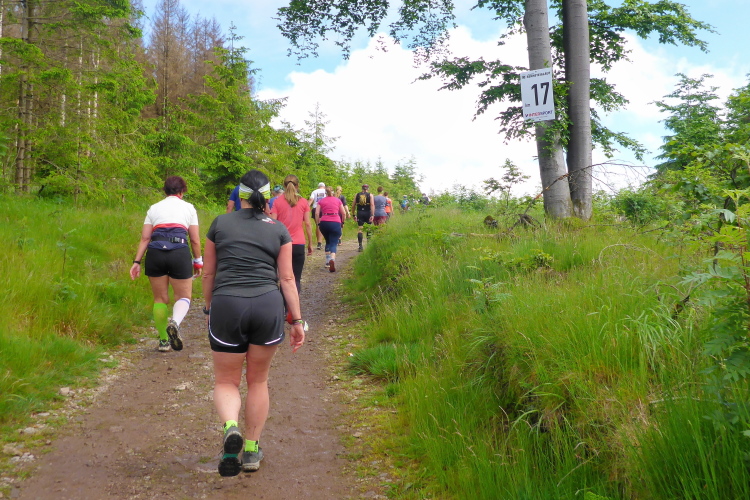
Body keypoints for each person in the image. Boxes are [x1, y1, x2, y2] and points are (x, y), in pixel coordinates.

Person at [202, 169, 306, 477]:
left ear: (240, 195)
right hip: (266, 305)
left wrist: (209, 307)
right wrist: (297, 320)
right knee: (258, 381)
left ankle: (231, 427)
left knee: (226, 381)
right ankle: (250, 449)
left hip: (227, 304)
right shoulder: (278, 230)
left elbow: (209, 273)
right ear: (268, 197)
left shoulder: (220, 223)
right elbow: (287, 279)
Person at [130, 176, 202, 352]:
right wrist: (198, 261)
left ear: (165, 190)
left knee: (160, 299)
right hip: (179, 252)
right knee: (183, 297)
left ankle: (163, 341)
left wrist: (136, 261)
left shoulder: (154, 208)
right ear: (182, 191)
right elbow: (194, 239)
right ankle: (175, 323)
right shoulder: (188, 208)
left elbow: (145, 238)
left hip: (155, 253)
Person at [270, 174, 313, 292]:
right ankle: (293, 303)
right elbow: (308, 224)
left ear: (284, 186)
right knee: (296, 279)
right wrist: (310, 243)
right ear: (297, 186)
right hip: (299, 243)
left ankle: (283, 303)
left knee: (284, 279)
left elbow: (272, 223)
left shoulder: (277, 202)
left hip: (282, 244)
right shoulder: (303, 202)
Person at [315, 186, 346, 272]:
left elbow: (317, 213)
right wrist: (342, 222)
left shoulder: (321, 201)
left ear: (325, 193)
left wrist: (318, 223)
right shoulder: (338, 200)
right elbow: (343, 213)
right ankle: (332, 258)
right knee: (334, 242)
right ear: (333, 192)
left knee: (327, 241)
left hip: (324, 222)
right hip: (335, 222)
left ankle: (327, 262)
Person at [352, 184, 374, 252]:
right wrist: (372, 215)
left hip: (360, 213)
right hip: (368, 212)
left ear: (362, 188)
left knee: (360, 229)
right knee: (368, 228)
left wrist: (353, 214)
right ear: (368, 189)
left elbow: (353, 205)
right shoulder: (370, 195)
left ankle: (360, 246)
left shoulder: (357, 195)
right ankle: (369, 245)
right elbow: (372, 205)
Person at [308, 182, 327, 250]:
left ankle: (319, 242)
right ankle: (320, 242)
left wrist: (306, 207)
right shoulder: (326, 191)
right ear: (324, 186)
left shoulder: (314, 191)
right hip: (324, 208)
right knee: (323, 225)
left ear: (318, 186)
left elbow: (311, 200)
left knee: (318, 225)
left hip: (315, 208)